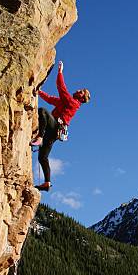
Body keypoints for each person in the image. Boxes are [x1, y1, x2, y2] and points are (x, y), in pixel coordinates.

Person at [31, 61, 90, 191]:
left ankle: (40, 137)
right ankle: (47, 183)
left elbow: (61, 88)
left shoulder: (74, 103)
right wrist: (39, 92)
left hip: (55, 127)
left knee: (43, 112)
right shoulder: (66, 102)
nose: (78, 90)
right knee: (42, 157)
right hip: (54, 133)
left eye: (81, 92)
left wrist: (60, 72)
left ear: (82, 98)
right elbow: (52, 99)